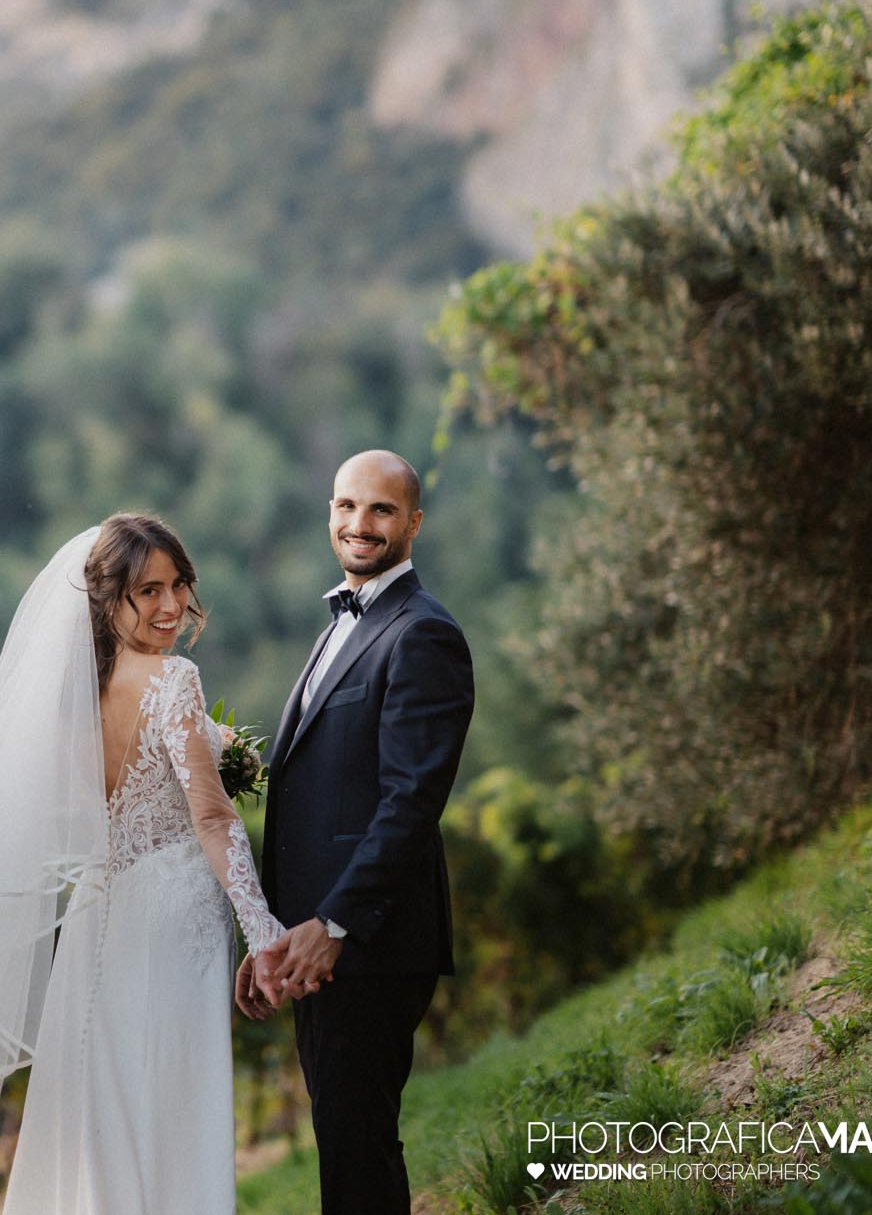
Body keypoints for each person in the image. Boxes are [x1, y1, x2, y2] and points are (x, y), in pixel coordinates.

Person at [0, 513, 286, 1212]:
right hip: (173, 922)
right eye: (149, 590)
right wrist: (264, 932)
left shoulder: (68, 696)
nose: (171, 605)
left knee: (98, 1096)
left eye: (179, 584)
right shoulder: (172, 679)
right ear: (108, 597)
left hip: (95, 917)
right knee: (172, 1096)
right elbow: (210, 815)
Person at [243, 450, 475, 1214]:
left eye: (380, 510)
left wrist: (334, 922)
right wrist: (274, 931)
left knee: (356, 1143)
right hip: (316, 937)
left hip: (365, 939)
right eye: (347, 506)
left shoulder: (422, 634)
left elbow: (410, 801)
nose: (359, 524)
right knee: (348, 1139)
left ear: (414, 522)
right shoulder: (339, 626)